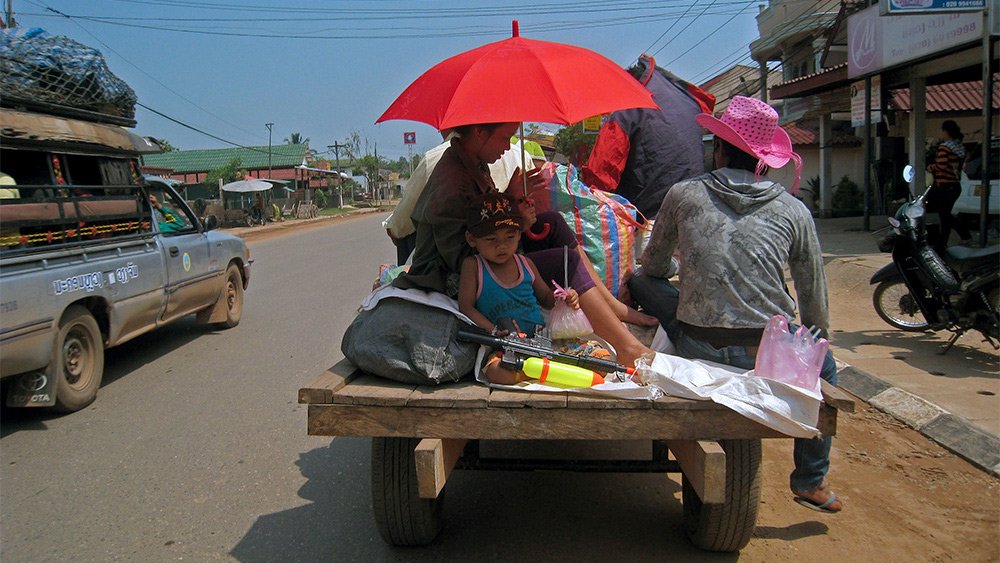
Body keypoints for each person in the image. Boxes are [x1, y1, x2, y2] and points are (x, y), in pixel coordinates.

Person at [628, 96, 843, 514]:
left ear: (720, 150)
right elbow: (813, 300)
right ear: (763, 161)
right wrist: (815, 348)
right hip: (766, 352)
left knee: (640, 279)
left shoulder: (683, 193)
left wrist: (680, 267)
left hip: (698, 341)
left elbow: (652, 265)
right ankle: (810, 480)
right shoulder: (794, 210)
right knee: (825, 366)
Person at [392, 121, 652, 368]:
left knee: (552, 222)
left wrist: (512, 202)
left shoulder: (472, 162)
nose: (507, 147)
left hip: (487, 249)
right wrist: (515, 228)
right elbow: (467, 255)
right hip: (456, 272)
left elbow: (484, 218)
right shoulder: (452, 183)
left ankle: (613, 307)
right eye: (504, 138)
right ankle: (626, 348)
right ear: (480, 133)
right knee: (566, 260)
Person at [458, 192, 579, 384]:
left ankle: (541, 368)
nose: (502, 246)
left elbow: (547, 300)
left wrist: (565, 296)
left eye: (510, 236)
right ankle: (541, 371)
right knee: (496, 372)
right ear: (472, 239)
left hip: (542, 340)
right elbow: (466, 307)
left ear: (519, 234)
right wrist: (494, 331)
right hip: (505, 347)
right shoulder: (474, 266)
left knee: (600, 356)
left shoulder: (525, 264)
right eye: (491, 239)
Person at [582, 54, 711, 221]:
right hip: (694, 213)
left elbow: (599, 178)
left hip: (647, 220)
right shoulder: (687, 102)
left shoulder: (628, 107)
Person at [926, 120, 972, 245]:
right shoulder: (959, 147)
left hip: (945, 186)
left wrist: (930, 167)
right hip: (955, 185)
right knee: (945, 215)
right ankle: (943, 241)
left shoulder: (945, 148)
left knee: (944, 214)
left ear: (946, 131)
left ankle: (965, 235)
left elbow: (941, 166)